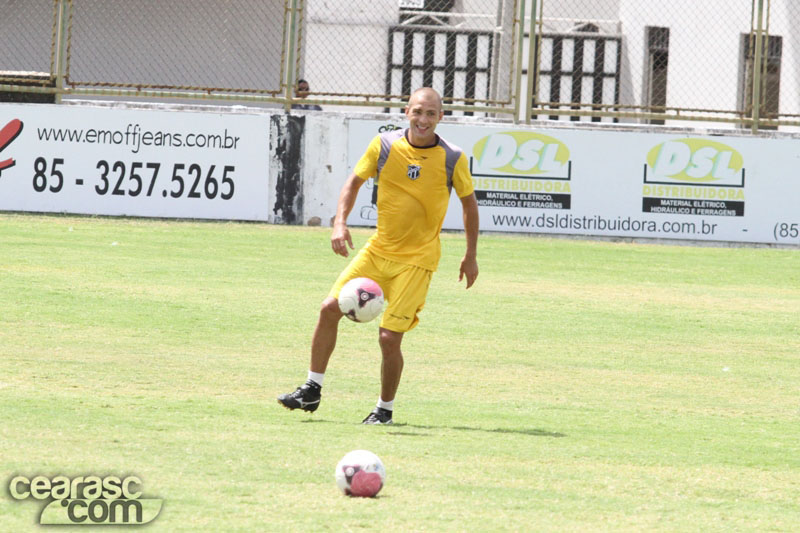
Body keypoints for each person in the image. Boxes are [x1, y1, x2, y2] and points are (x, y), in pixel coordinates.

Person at [278, 87, 479, 424]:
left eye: (431, 113)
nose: (423, 119)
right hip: (378, 249)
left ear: (441, 117)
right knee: (329, 308)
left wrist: (470, 254)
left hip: (417, 261)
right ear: (406, 112)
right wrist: (339, 223)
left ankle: (383, 411)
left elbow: (469, 205)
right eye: (417, 111)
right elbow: (353, 183)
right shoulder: (384, 146)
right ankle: (312, 389)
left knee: (389, 337)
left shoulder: (452, 157)